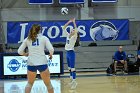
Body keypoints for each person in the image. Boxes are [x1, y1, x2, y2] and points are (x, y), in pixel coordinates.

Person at [18, 24, 54, 93]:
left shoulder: (27, 39)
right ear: (40, 30)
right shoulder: (44, 38)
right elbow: (51, 49)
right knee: (48, 84)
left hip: (31, 63)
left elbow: (19, 51)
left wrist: (25, 54)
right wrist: (51, 54)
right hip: (42, 62)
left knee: (29, 84)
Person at [63, 18, 78, 89]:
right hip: (67, 53)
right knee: (69, 68)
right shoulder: (68, 35)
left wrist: (74, 22)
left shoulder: (74, 37)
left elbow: (76, 30)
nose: (73, 30)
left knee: (72, 68)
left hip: (71, 53)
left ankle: (75, 81)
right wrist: (69, 22)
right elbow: (63, 27)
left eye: (74, 30)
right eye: (72, 29)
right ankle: (71, 80)